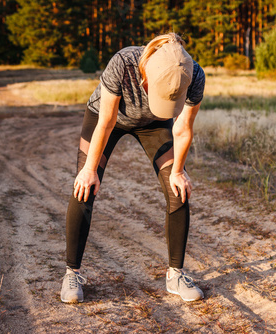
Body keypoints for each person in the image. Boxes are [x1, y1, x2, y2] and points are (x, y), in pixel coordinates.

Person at [61, 32, 205, 303]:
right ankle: (72, 273)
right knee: (85, 186)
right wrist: (90, 170)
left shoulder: (194, 74)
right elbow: (106, 121)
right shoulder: (124, 62)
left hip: (154, 125)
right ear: (146, 74)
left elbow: (183, 128)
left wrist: (178, 171)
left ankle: (175, 275)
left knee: (178, 189)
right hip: (107, 119)